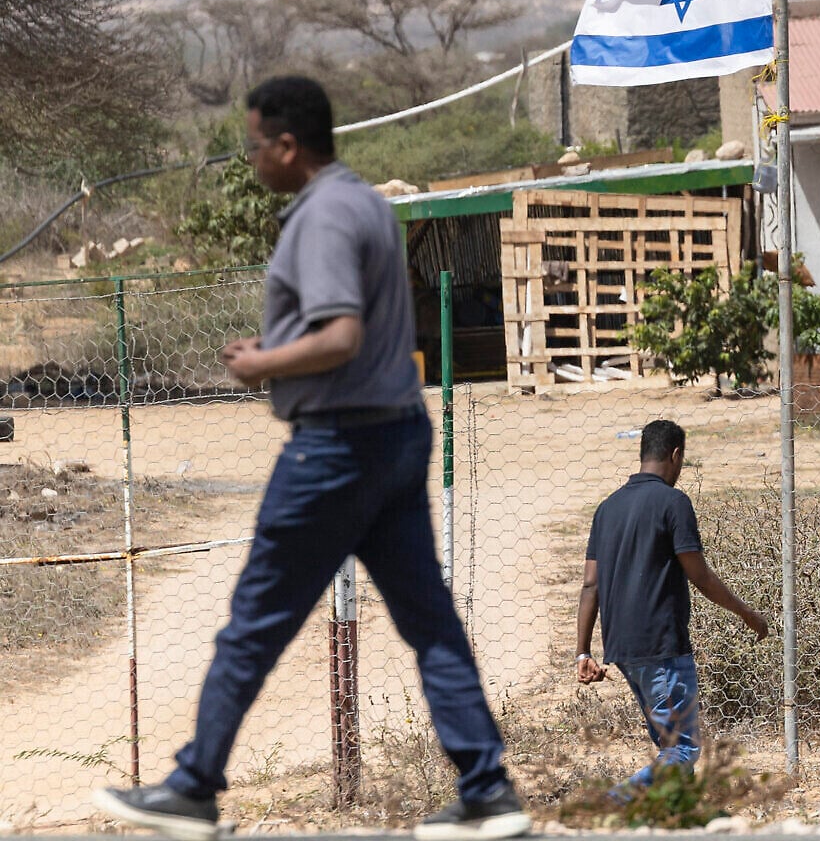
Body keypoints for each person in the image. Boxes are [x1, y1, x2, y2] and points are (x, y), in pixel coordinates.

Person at [95, 76, 529, 841]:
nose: (252, 159)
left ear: (287, 145)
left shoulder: (322, 216)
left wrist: (262, 366)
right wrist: (276, 349)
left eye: (255, 145)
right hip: (396, 434)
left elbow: (340, 337)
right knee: (429, 622)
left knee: (254, 622)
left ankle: (194, 786)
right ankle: (488, 791)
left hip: (336, 447)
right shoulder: (366, 203)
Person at [578, 418, 768, 794]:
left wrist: (582, 651)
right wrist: (748, 614)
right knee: (682, 749)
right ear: (676, 455)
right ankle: (614, 803)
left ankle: (670, 819)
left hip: (622, 648)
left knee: (669, 747)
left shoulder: (607, 508)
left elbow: (590, 584)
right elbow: (700, 575)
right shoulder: (673, 502)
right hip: (661, 646)